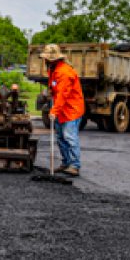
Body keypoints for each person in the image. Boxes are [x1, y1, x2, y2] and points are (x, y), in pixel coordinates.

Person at [40, 43, 85, 177]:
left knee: (70, 137)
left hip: (71, 109)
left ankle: (75, 165)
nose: (45, 60)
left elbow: (62, 95)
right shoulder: (53, 69)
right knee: (60, 137)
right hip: (61, 108)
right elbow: (55, 89)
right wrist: (49, 92)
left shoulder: (65, 72)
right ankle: (66, 162)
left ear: (53, 59)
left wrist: (53, 111)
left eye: (47, 58)